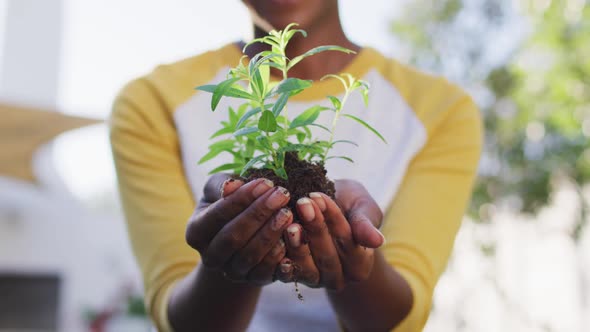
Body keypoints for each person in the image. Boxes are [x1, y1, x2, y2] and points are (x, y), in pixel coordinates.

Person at [109, 0, 482, 331]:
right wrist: (227, 260)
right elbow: (176, 316)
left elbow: (403, 316)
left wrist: (354, 258)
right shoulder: (151, 103)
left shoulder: (440, 110)